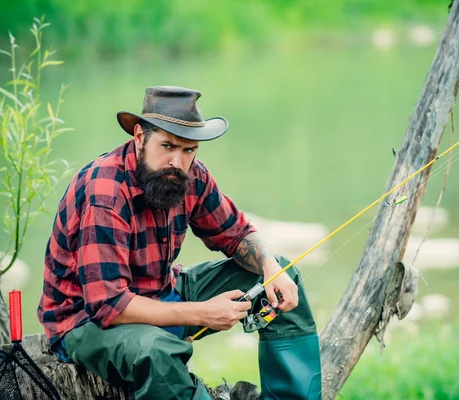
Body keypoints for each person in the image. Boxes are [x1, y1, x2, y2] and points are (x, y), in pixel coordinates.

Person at [37, 86, 322, 400]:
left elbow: (238, 234)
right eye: (168, 146)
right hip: (85, 322)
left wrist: (269, 266)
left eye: (189, 150)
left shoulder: (190, 175)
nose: (178, 160)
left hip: (161, 293)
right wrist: (201, 313)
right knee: (155, 352)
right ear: (139, 137)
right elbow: (109, 306)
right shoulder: (106, 190)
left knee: (283, 276)